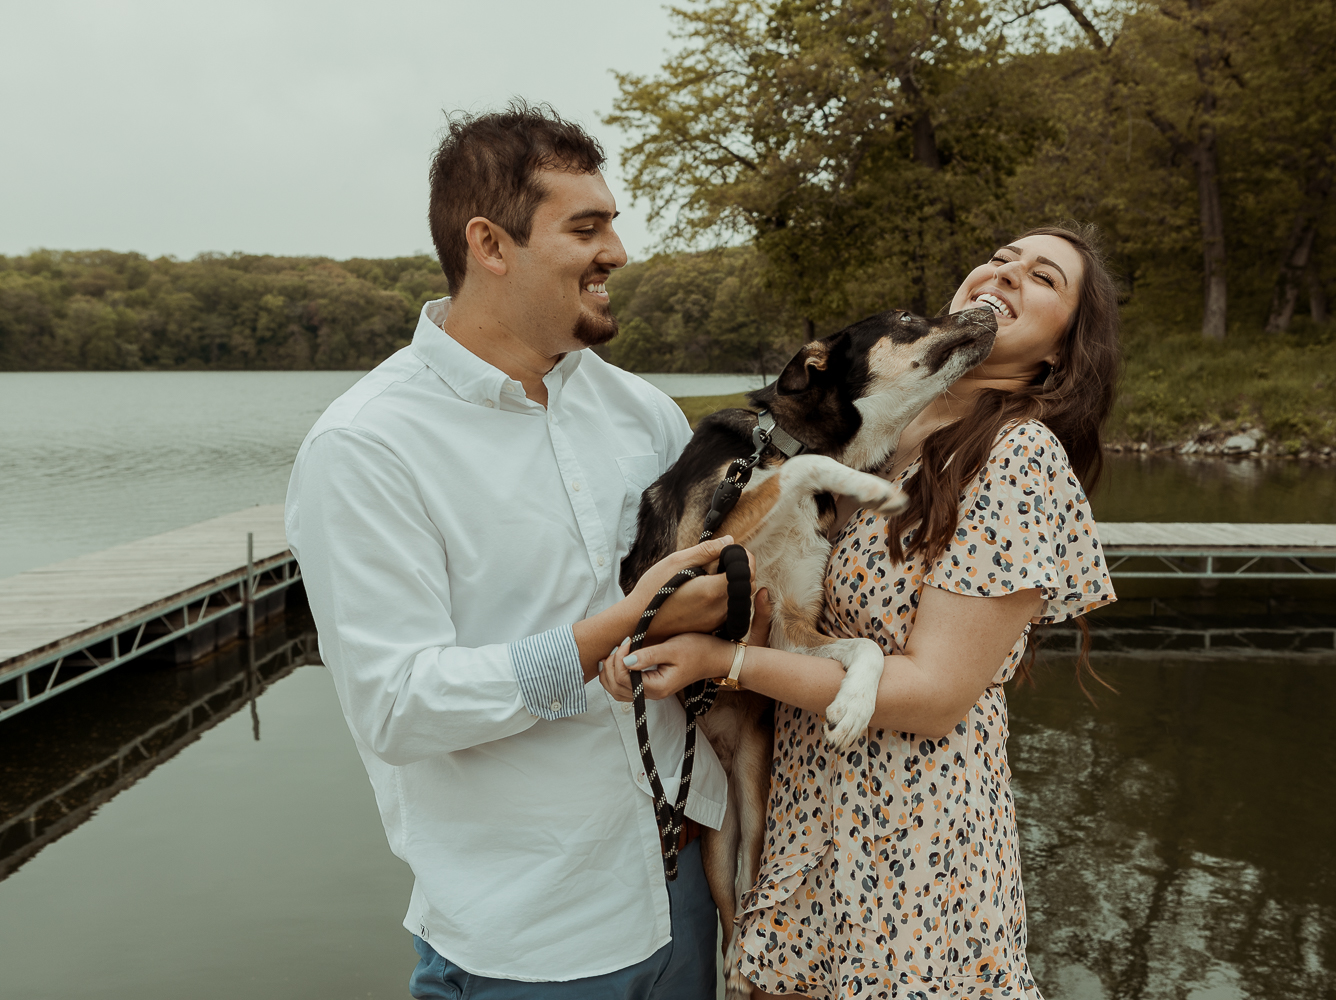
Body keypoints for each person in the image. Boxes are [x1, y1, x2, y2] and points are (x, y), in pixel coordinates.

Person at [286, 102, 737, 999]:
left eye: (612, 221)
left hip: (683, 886)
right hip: (528, 933)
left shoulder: (640, 413)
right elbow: (398, 705)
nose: (618, 252)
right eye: (587, 227)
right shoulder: (367, 446)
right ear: (490, 245)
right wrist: (614, 628)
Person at [600, 225, 1122, 998]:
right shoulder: (873, 446)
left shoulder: (1019, 457)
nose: (1008, 273)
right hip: (803, 807)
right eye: (1002, 257)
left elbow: (938, 696)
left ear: (1056, 355)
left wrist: (726, 663)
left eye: (1043, 277)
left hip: (915, 838)